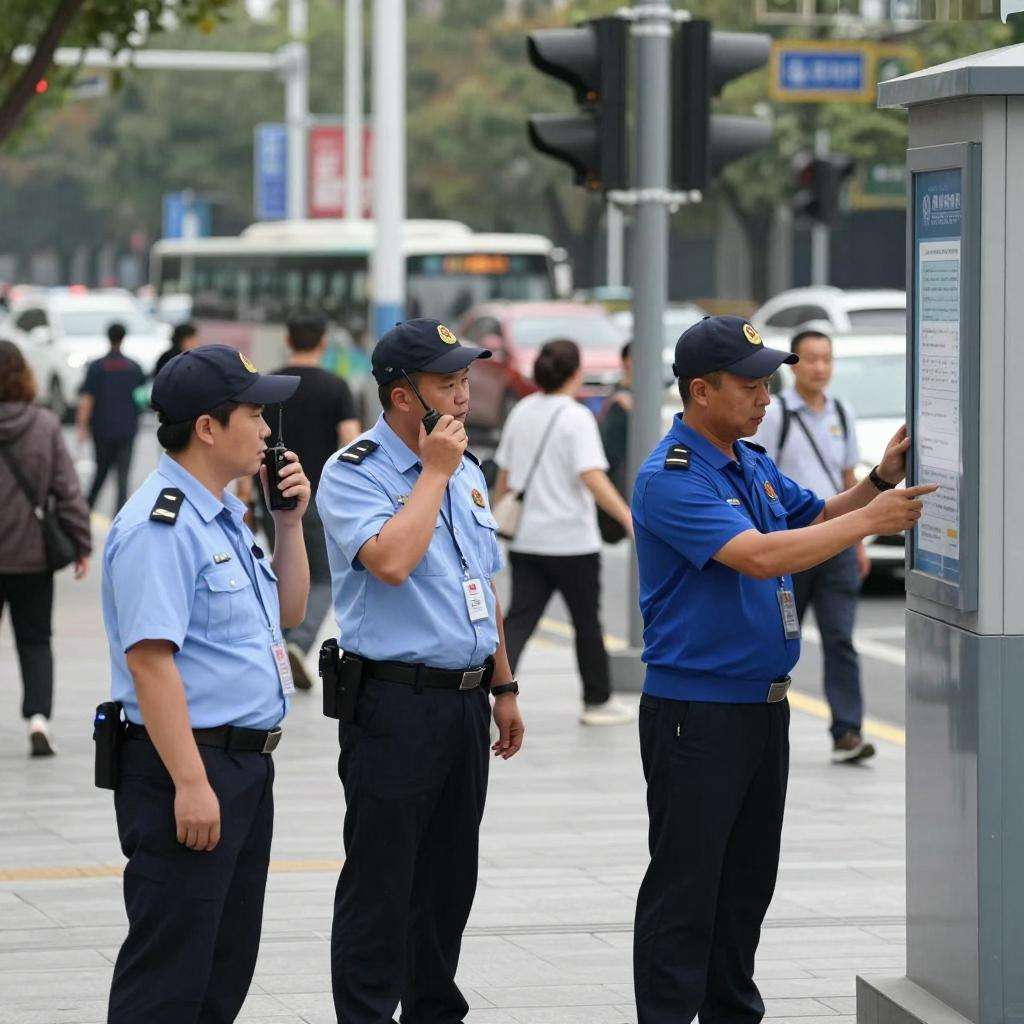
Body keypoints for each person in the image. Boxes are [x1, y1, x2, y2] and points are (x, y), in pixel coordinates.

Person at [630, 315, 934, 1024]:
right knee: (686, 890)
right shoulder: (672, 479)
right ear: (701, 391)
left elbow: (815, 514)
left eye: (769, 382)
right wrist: (870, 522)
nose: (767, 396)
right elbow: (762, 555)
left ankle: (734, 1012)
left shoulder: (749, 461)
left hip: (763, 708)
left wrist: (877, 482)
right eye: (751, 384)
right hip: (696, 715)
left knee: (744, 888)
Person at [316, 317, 525, 1024]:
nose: (464, 396)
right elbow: (393, 561)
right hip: (394, 704)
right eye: (447, 384)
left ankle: (435, 1011)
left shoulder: (466, 469)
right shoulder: (354, 473)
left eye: (466, 380)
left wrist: (504, 685)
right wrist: (432, 472)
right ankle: (368, 1013)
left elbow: (481, 585)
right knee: (382, 880)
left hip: (465, 702)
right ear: (404, 396)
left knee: (447, 880)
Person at [101, 344, 310, 1022]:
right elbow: (150, 662)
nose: (268, 431)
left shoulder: (224, 515)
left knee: (222, 967)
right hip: (186, 766)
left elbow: (290, 614)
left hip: (244, 766)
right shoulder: (160, 526)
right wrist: (191, 783)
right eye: (255, 413)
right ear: (208, 427)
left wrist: (288, 523)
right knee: (168, 977)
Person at [493, 338, 634, 726]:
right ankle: (597, 701)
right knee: (586, 622)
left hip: (526, 540)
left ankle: (497, 689)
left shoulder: (521, 411)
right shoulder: (576, 417)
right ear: (575, 373)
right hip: (572, 543)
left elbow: (504, 478)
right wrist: (626, 516)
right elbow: (591, 476)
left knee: (519, 619)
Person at [755, 327, 874, 763]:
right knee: (779, 637)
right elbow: (758, 474)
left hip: (838, 543)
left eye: (827, 358)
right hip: (792, 543)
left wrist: (859, 539)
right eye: (811, 359)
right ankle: (761, 718)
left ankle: (848, 731)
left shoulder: (841, 411)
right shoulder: (775, 413)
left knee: (840, 637)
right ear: (795, 364)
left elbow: (848, 477)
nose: (820, 368)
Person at [255, 312, 361, 689]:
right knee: (323, 578)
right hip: (317, 495)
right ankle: (295, 644)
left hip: (269, 493)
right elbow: (349, 442)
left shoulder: (268, 386)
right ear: (322, 343)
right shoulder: (336, 386)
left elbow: (254, 439)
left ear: (287, 339)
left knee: (279, 570)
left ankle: (278, 644)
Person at [0, 341, 91, 756]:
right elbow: (67, 490)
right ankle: (38, 719)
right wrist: (80, 543)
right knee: (35, 640)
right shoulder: (44, 424)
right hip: (32, 555)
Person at [77, 322, 146, 513]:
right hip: (127, 429)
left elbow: (87, 399)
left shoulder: (97, 367)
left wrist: (82, 427)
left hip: (102, 430)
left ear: (108, 337)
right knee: (123, 479)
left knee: (100, 474)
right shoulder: (134, 367)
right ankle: (119, 519)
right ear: (123, 338)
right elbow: (142, 398)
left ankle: (84, 512)